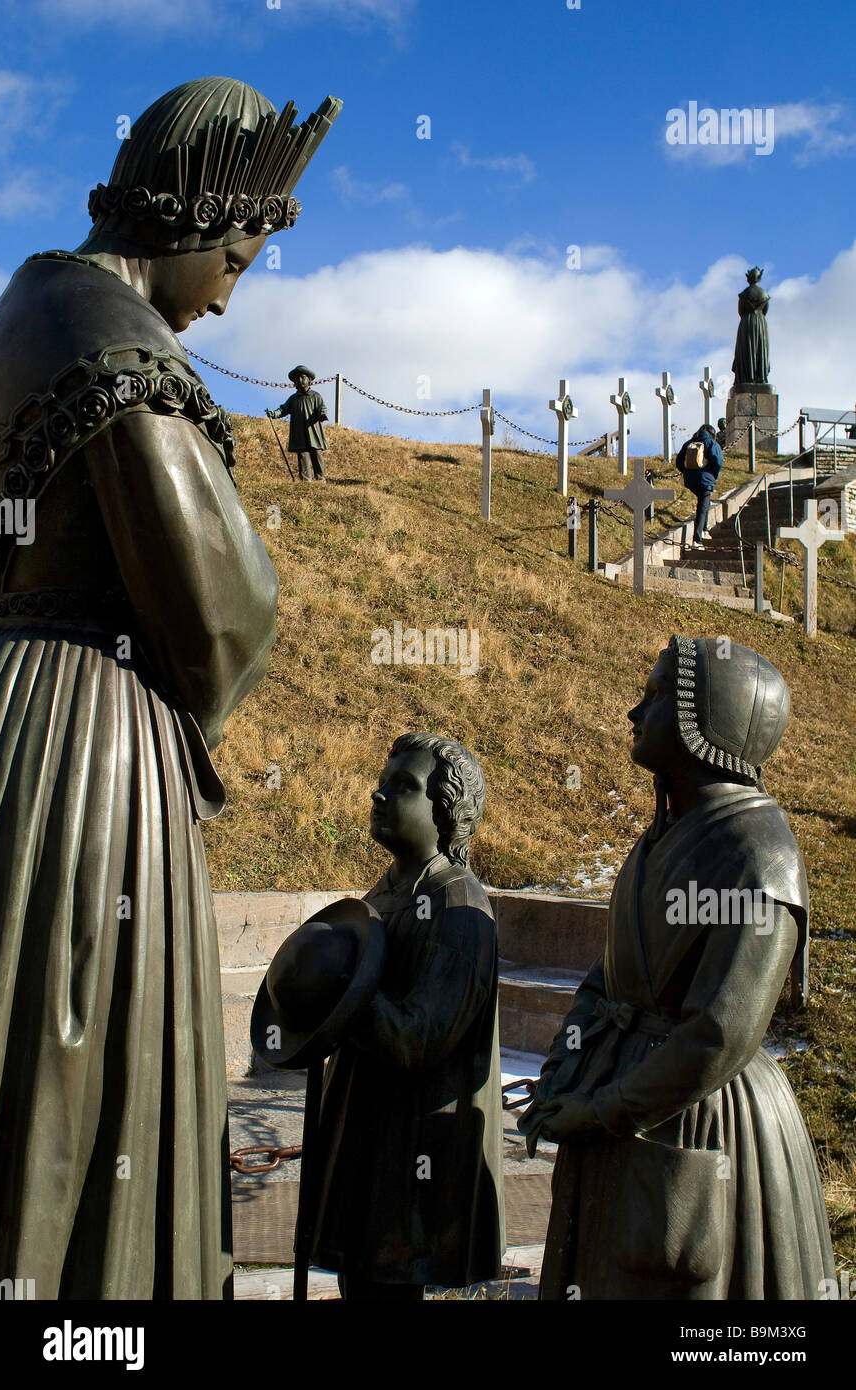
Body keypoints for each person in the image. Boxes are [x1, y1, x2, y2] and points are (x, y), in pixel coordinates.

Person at [0, 76, 340, 1299]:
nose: (229, 294)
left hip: (12, 715)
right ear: (193, 215)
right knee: (84, 1065)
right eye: (237, 258)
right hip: (90, 747)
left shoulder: (20, 307)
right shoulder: (116, 342)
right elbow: (215, 622)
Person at [519, 636, 836, 1301]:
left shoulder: (757, 855)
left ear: (709, 718)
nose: (636, 712)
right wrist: (559, 1074)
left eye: (658, 693)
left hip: (697, 1115)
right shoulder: (658, 839)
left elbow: (717, 1035)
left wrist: (601, 1109)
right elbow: (607, 978)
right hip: (623, 1106)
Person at [309, 732, 505, 1300]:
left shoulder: (459, 906)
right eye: (383, 781)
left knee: (388, 1289)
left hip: (415, 1150)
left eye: (404, 787)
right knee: (361, 1285)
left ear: (445, 813)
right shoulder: (388, 892)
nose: (379, 794)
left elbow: (419, 1038)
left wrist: (338, 991)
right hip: (369, 1134)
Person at [267, 366, 329, 480]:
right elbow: (283, 409)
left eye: (302, 377)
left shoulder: (315, 396)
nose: (299, 380)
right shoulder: (293, 399)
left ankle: (320, 477)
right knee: (302, 453)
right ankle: (306, 478)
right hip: (299, 430)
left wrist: (322, 414)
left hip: (312, 429)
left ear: (309, 380)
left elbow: (322, 408)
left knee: (316, 452)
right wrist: (274, 414)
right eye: (296, 378)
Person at [676, 423, 723, 547]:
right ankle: (697, 539)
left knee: (704, 501)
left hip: (690, 480)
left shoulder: (689, 443)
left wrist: (687, 472)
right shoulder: (711, 443)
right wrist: (713, 474)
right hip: (705, 479)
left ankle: (704, 530)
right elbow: (718, 462)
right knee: (702, 506)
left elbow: (679, 461)